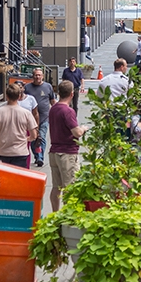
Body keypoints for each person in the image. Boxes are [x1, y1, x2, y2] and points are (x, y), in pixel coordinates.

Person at [48, 81, 86, 211]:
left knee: (56, 187)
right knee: (70, 187)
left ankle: (55, 212)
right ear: (72, 94)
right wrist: (83, 128)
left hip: (54, 151)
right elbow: (77, 132)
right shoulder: (68, 111)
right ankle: (68, 214)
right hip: (67, 153)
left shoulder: (53, 109)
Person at [0, 83, 38, 169]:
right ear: (19, 96)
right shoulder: (26, 113)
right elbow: (34, 135)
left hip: (4, 152)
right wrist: (26, 139)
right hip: (21, 152)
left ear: (6, 96)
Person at [23, 68, 56, 167]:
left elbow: (52, 101)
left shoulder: (48, 87)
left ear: (42, 76)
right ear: (33, 76)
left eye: (39, 75)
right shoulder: (27, 88)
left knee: (41, 137)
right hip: (31, 119)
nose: (37, 77)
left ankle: (40, 157)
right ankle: (37, 156)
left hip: (44, 118)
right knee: (33, 138)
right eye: (36, 75)